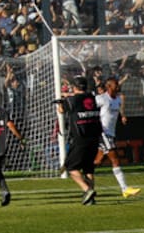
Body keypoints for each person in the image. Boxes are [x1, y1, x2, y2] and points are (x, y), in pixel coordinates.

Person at [57, 76, 102, 205]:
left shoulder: (72, 100)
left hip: (80, 138)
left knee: (72, 168)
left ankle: (87, 189)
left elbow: (61, 110)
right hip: (94, 137)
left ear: (74, 87)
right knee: (88, 168)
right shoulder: (93, 98)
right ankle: (91, 199)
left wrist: (61, 101)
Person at [95, 77, 141, 198]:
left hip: (111, 134)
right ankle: (125, 189)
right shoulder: (102, 98)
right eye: (116, 84)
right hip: (103, 133)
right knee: (115, 160)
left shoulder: (118, 99)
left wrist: (123, 116)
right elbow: (89, 106)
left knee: (97, 161)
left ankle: (80, 172)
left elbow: (119, 109)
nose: (118, 86)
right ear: (109, 86)